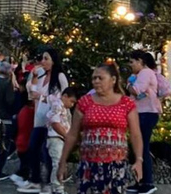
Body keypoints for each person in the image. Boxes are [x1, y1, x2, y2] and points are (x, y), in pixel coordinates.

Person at [58, 63, 143, 194]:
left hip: (116, 167)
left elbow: (135, 134)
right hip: (89, 165)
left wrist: (139, 160)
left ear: (113, 80)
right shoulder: (85, 102)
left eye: (100, 78)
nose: (96, 81)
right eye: (94, 78)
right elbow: (73, 134)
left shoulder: (126, 103)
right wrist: (62, 161)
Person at [18, 49, 69, 193]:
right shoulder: (41, 74)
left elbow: (65, 97)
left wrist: (46, 98)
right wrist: (33, 78)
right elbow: (31, 93)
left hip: (52, 118)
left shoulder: (60, 77)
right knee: (33, 147)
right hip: (39, 116)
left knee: (47, 151)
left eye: (46, 59)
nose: (43, 62)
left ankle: (47, 183)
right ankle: (35, 180)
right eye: (42, 58)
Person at [126, 50, 161, 194]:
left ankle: (147, 182)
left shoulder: (145, 73)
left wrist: (128, 86)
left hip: (147, 113)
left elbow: (137, 90)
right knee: (138, 147)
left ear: (140, 61)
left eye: (132, 62)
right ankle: (139, 181)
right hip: (140, 112)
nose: (130, 65)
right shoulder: (140, 74)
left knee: (142, 146)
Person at [47, 87, 78, 194]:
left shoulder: (65, 109)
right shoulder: (57, 105)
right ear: (65, 96)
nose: (72, 104)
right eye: (71, 101)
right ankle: (57, 188)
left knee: (60, 163)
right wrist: (66, 135)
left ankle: (56, 187)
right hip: (55, 138)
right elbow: (54, 122)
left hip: (61, 139)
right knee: (57, 164)